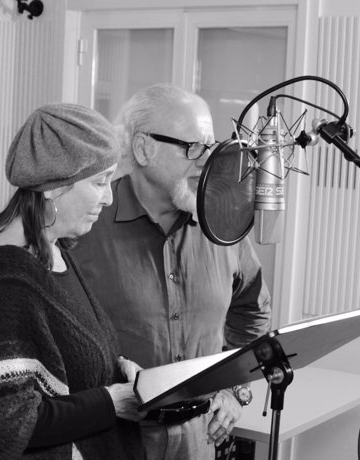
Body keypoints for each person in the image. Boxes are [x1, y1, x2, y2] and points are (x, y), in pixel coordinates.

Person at [70, 83, 272, 460]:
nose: (206, 161)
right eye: (192, 147)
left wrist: (234, 388)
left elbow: (253, 309)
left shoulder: (222, 224)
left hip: (200, 437)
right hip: (109, 438)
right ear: (143, 148)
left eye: (210, 147)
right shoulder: (85, 227)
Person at [0, 103, 147, 460]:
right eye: (99, 182)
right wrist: (111, 401)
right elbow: (4, 425)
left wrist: (115, 370)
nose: (108, 197)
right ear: (54, 187)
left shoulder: (54, 252)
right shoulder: (6, 284)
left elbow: (67, 362)